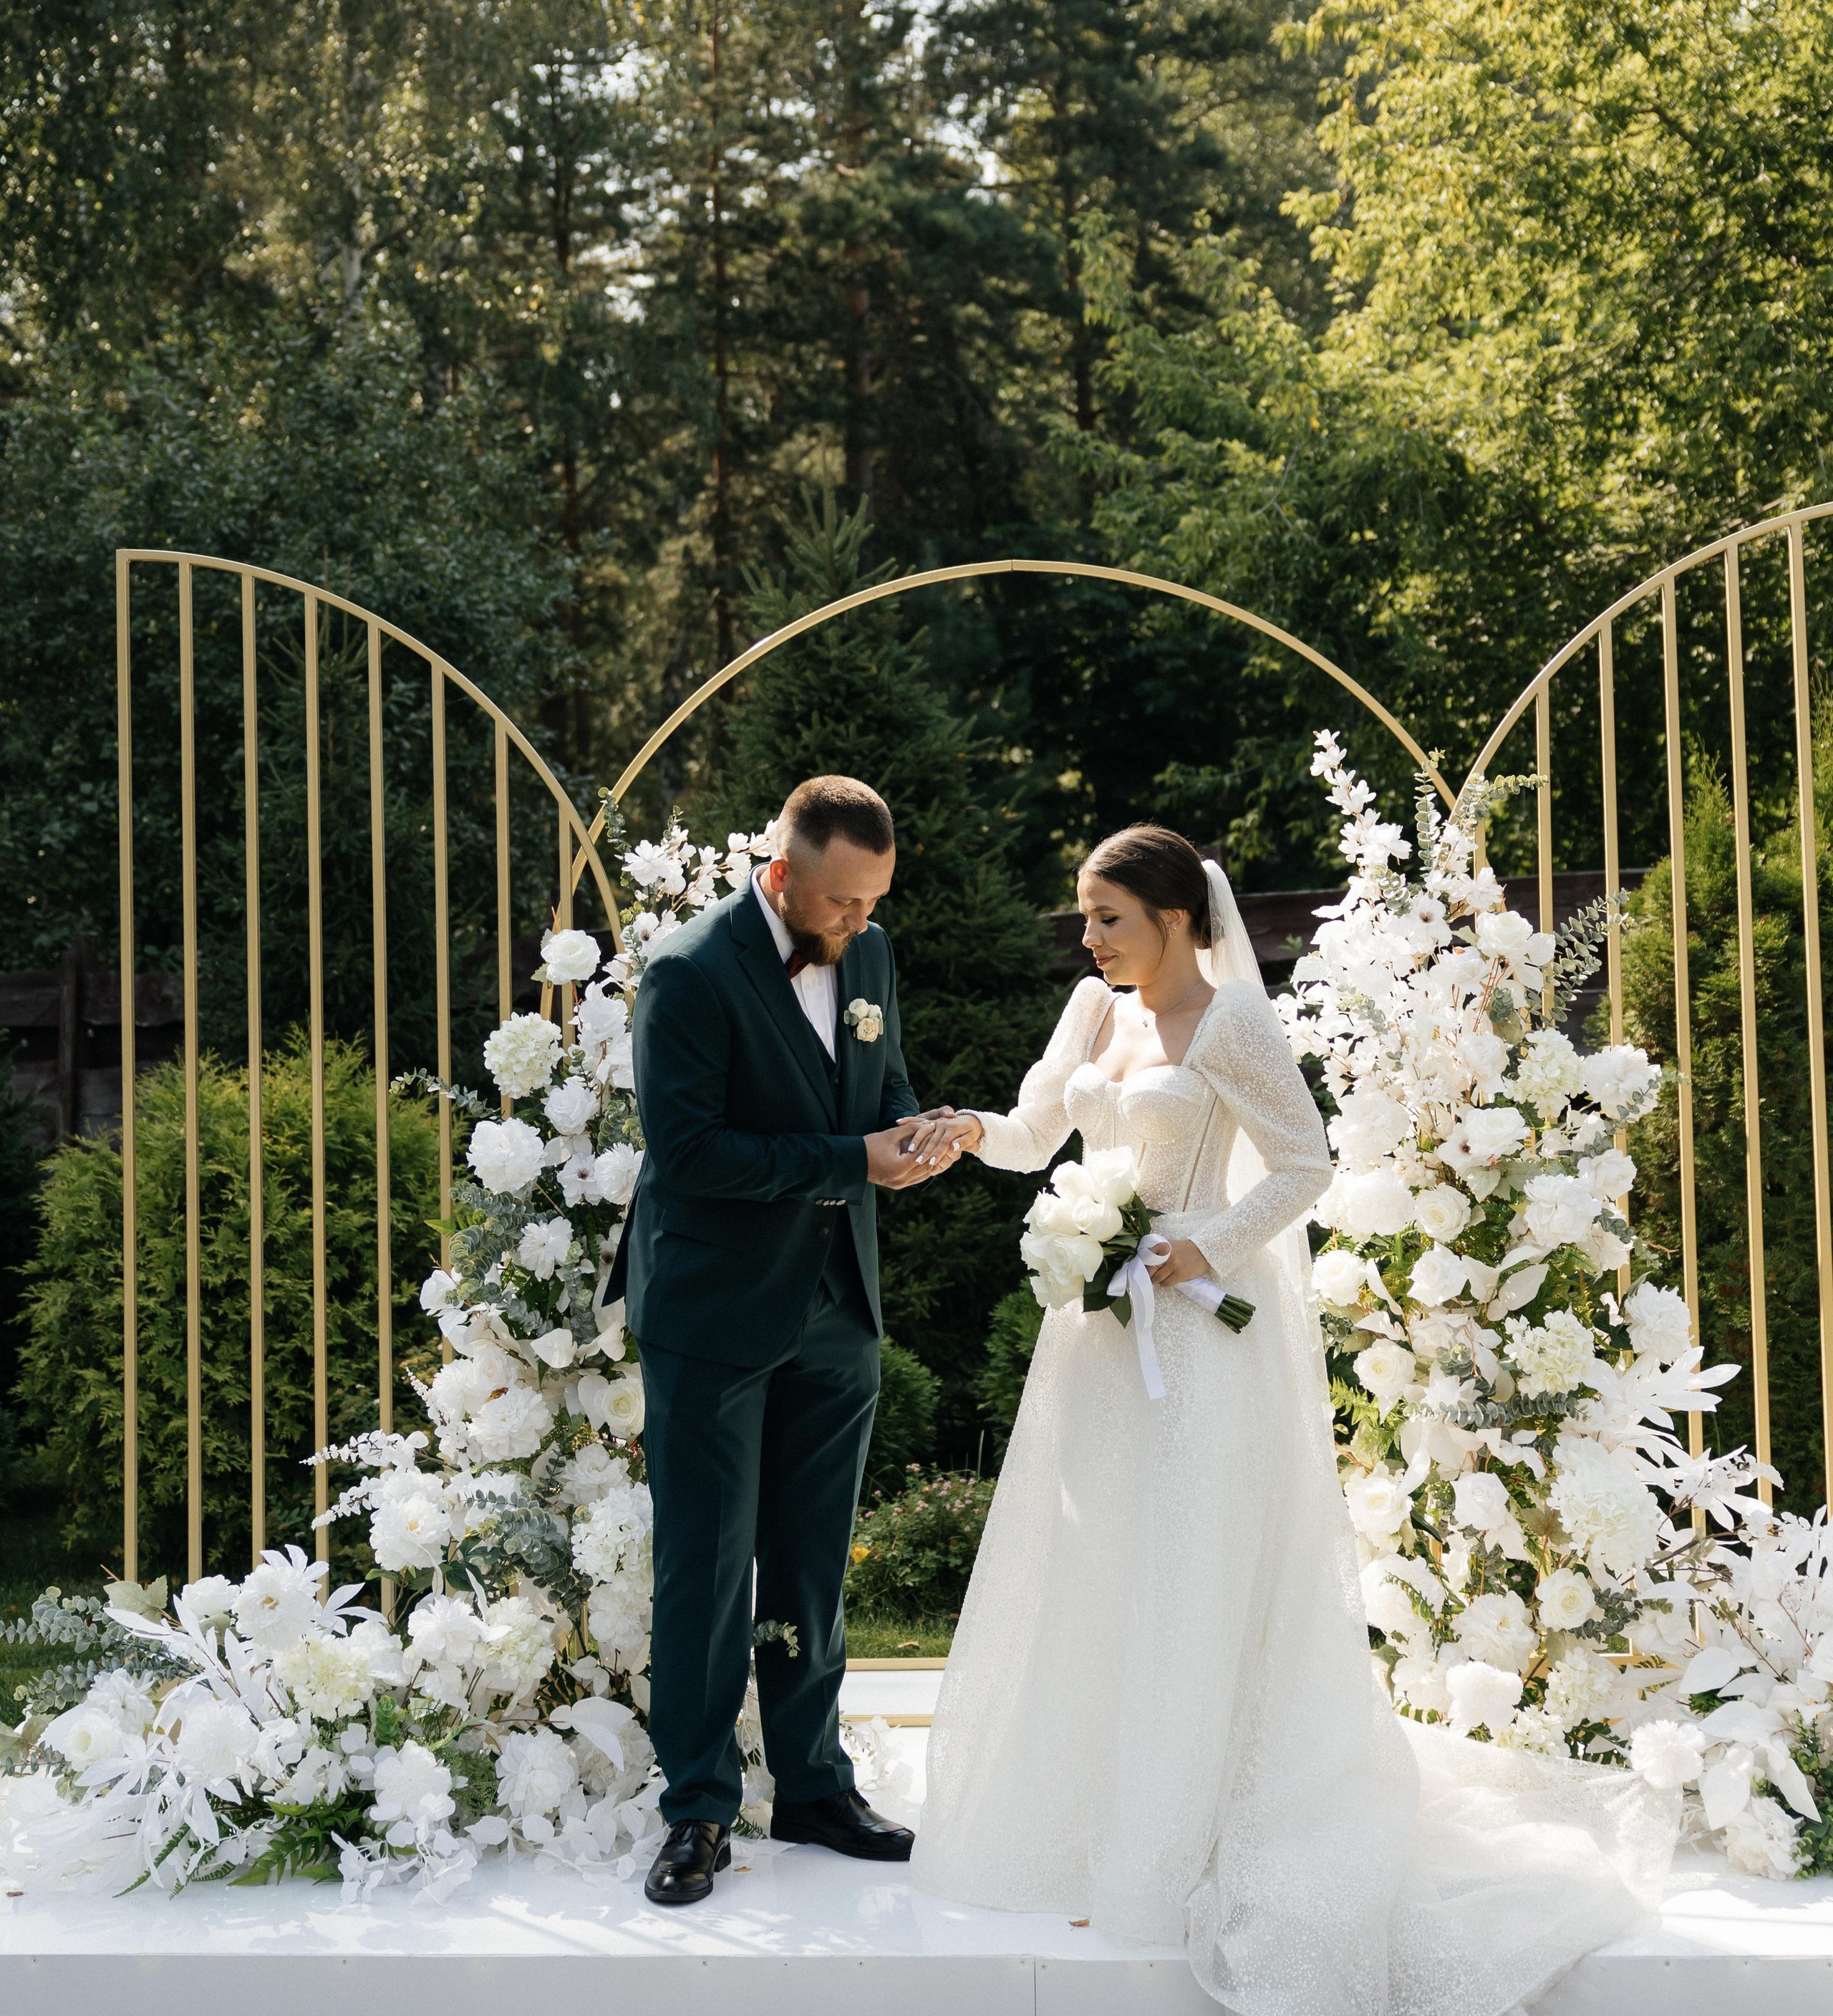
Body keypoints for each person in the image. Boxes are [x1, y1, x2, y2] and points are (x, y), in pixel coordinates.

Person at [907, 825, 1672, 2016]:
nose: (1091, 936)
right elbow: (1033, 1137)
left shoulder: (1232, 1025)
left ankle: (1188, 1826)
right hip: (1100, 1343)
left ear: (1176, 917)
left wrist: (1198, 1243)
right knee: (1099, 1560)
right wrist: (968, 1136)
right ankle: (1090, 1809)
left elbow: (1304, 1166)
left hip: (1200, 1334)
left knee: (1192, 1566)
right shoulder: (1089, 1013)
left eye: (1110, 916)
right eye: (1086, 915)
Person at [622, 773, 962, 1909]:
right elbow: (689, 1152)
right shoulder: (688, 970)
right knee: (708, 1571)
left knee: (811, 1568)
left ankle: (813, 1786)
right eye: (842, 903)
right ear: (782, 871)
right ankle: (699, 1811)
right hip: (715, 1311)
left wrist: (915, 1133)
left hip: (837, 1308)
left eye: (874, 902)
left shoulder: (870, 958)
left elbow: (880, 1084)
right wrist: (847, 1161)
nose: (861, 923)